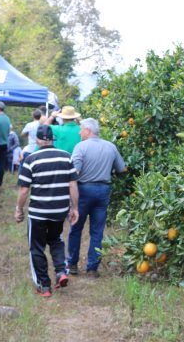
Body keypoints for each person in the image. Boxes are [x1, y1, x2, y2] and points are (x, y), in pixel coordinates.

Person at [15, 125, 80, 297]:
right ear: (52, 139)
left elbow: (23, 190)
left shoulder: (31, 159)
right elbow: (72, 184)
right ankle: (61, 272)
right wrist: (75, 208)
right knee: (56, 240)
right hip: (59, 211)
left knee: (36, 247)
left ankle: (44, 286)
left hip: (38, 212)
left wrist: (18, 209)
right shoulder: (66, 157)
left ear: (37, 139)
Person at [67, 118, 127, 277]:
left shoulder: (80, 147)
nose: (79, 132)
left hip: (83, 191)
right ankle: (92, 268)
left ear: (88, 130)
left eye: (81, 129)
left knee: (75, 227)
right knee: (97, 231)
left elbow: (75, 173)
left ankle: (72, 264)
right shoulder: (110, 146)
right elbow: (122, 169)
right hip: (103, 191)